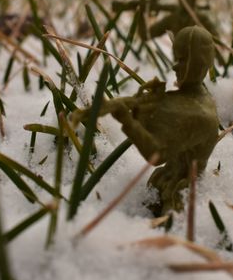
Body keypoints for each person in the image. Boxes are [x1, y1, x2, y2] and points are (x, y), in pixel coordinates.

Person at [73, 26, 219, 215]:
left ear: (198, 63)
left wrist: (127, 120)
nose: (175, 66)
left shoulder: (200, 116)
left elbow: (156, 154)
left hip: (178, 197)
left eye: (182, 60)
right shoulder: (185, 99)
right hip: (163, 183)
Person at [142, 0, 218, 41]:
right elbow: (147, 35)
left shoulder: (202, 19)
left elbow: (216, 43)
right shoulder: (173, 18)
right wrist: (140, 14)